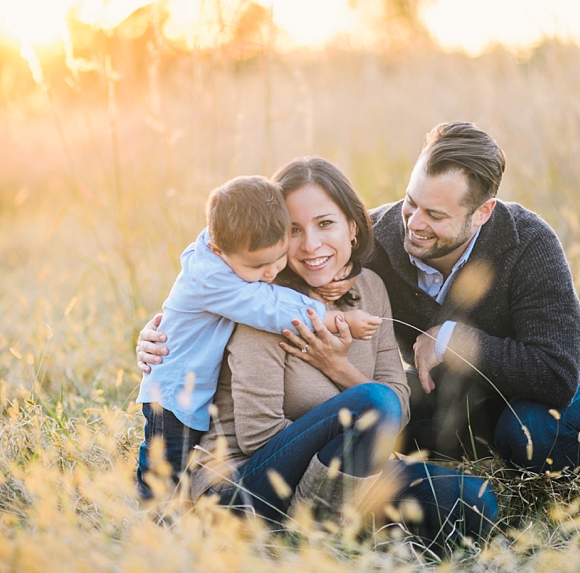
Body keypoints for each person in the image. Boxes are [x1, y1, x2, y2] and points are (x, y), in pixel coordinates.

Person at [187, 158, 498, 545]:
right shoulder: (262, 304)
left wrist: (336, 367)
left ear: (352, 227)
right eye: (293, 229)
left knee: (471, 500)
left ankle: (325, 524)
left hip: (346, 472)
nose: (310, 245)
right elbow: (257, 436)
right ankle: (316, 534)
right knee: (371, 400)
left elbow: (396, 410)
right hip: (246, 483)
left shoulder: (369, 289)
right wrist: (354, 443)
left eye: (325, 224)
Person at [358, 122, 580, 473]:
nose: (413, 224)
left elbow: (556, 373)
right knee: (364, 419)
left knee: (530, 434)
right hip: (451, 394)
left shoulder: (529, 242)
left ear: (483, 213)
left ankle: (567, 506)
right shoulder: (373, 239)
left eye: (436, 215)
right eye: (412, 202)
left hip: (549, 391)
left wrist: (452, 341)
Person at [136, 175, 381, 498]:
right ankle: (149, 517)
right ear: (217, 249)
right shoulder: (212, 278)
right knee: (164, 465)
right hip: (174, 396)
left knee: (181, 462)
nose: (270, 273)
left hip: (196, 392)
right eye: (258, 266)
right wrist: (337, 319)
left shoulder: (236, 238)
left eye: (278, 258)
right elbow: (268, 306)